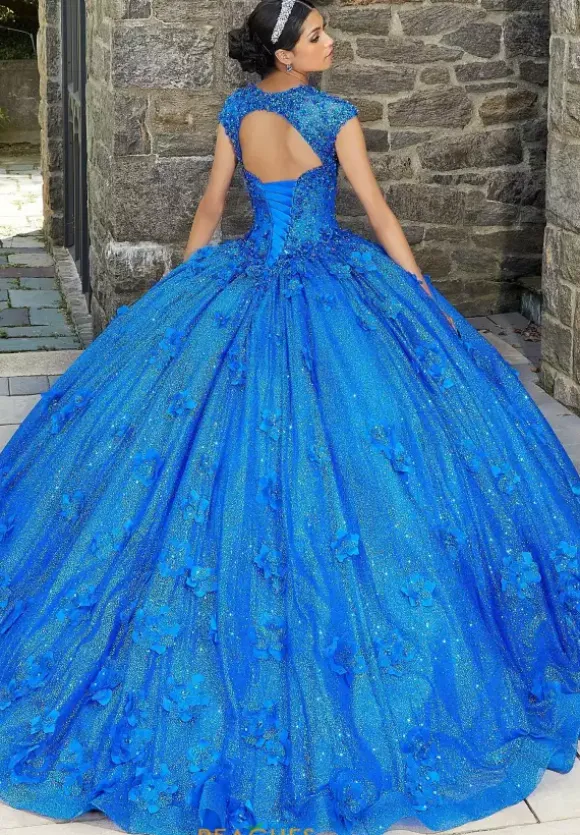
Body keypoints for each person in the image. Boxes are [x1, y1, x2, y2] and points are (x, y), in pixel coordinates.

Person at [0, 1, 579, 835]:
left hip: (243, 278)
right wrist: (422, 294)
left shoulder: (237, 112)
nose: (330, 41)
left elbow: (211, 209)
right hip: (330, 281)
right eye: (316, 35)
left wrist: (181, 296)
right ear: (284, 51)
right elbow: (378, 213)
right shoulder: (335, 116)